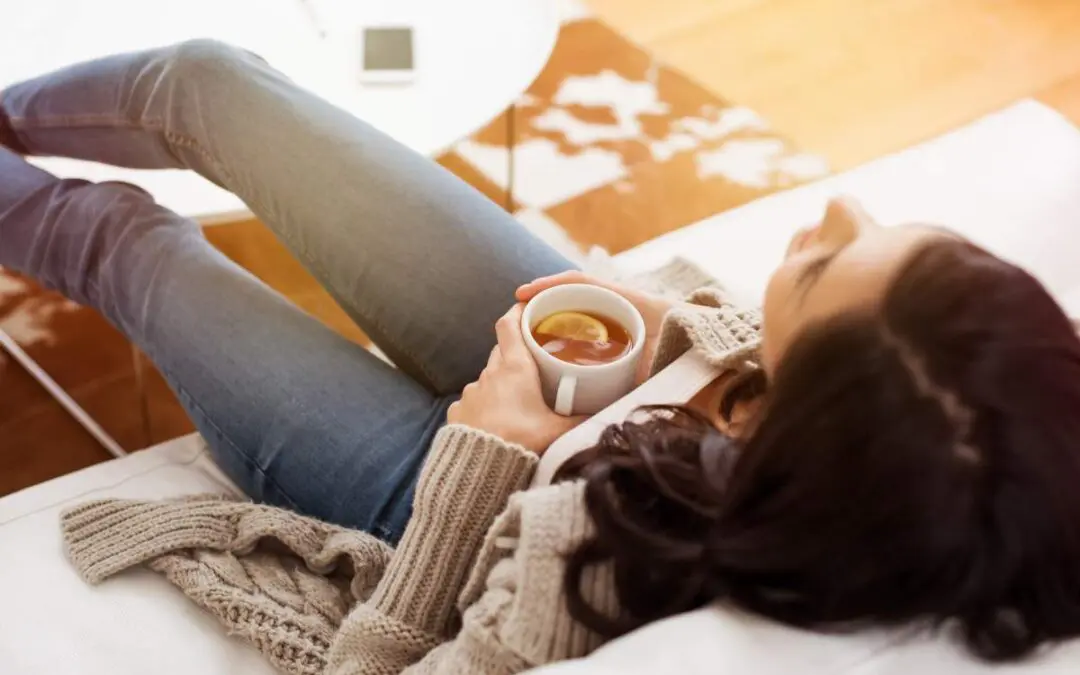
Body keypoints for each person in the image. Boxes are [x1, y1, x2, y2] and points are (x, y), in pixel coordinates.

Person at [5, 40, 1080, 673]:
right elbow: (768, 358)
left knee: (119, 239)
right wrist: (671, 339)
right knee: (208, 82)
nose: (834, 207)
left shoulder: (596, 572)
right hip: (596, 369)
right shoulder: (956, 425)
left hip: (439, 497)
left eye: (818, 265)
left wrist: (482, 456)